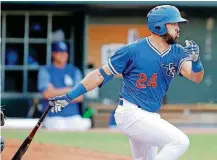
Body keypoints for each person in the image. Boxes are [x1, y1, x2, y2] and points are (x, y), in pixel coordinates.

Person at [48, 5, 204, 160]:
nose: (178, 28)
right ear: (159, 26)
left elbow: (196, 77)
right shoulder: (132, 50)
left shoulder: (177, 52)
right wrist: (69, 97)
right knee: (179, 141)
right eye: (174, 24)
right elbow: (98, 76)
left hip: (150, 116)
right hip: (130, 113)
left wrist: (196, 61)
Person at [38, 41, 91, 131]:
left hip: (73, 115)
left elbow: (80, 96)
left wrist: (55, 91)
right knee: (58, 127)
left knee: (83, 125)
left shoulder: (74, 71)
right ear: (53, 54)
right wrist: (70, 91)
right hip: (53, 115)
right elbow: (47, 94)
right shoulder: (46, 70)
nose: (63, 55)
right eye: (60, 52)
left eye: (65, 52)